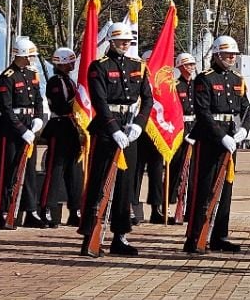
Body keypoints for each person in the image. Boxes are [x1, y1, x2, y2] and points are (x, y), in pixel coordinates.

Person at [78, 22, 153, 256]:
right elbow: (99, 101)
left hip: (130, 128)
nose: (125, 44)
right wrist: (113, 129)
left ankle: (120, 236)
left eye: (128, 41)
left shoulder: (138, 66)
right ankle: (90, 234)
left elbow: (148, 99)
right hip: (106, 130)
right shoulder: (99, 66)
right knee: (100, 182)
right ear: (111, 42)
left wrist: (139, 124)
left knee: (125, 184)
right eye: (121, 41)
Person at [183, 36, 250, 255]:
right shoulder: (205, 79)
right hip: (210, 138)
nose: (232, 58)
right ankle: (195, 236)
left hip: (231, 137)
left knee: (226, 189)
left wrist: (244, 129)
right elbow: (203, 112)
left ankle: (219, 236)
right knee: (204, 188)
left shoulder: (237, 79)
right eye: (227, 54)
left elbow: (246, 108)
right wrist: (221, 136)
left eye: (234, 55)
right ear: (217, 55)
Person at [0, 37, 45, 230]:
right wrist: (22, 130)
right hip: (12, 128)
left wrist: (38, 118)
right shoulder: (7, 77)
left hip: (30, 124)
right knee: (10, 170)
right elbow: (6, 109)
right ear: (21, 56)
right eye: (30, 56)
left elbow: (38, 99)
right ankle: (3, 211)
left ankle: (30, 210)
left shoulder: (32, 74)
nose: (32, 59)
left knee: (29, 171)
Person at [39, 47, 83, 228]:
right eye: (69, 62)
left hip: (71, 127)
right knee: (55, 170)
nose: (72, 65)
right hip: (59, 127)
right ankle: (46, 209)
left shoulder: (69, 80)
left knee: (74, 172)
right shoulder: (55, 82)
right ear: (61, 63)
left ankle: (75, 210)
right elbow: (61, 105)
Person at [133, 49, 165, 224]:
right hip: (138, 131)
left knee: (156, 172)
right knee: (135, 171)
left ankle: (156, 208)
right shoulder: (136, 79)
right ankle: (132, 206)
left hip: (157, 132)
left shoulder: (162, 82)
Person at [169, 52, 197, 221]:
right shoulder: (175, 86)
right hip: (179, 129)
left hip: (195, 127)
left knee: (192, 171)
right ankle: (171, 204)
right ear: (180, 67)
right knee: (176, 168)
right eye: (187, 65)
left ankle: (189, 207)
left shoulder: (198, 84)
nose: (191, 67)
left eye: (192, 64)